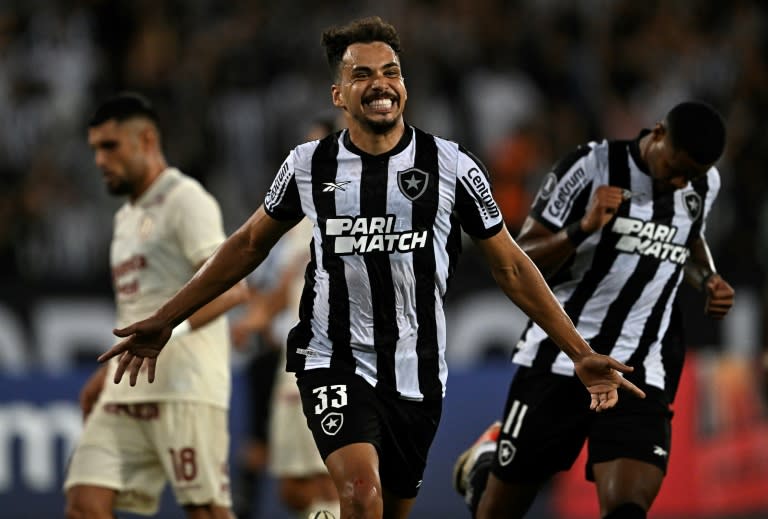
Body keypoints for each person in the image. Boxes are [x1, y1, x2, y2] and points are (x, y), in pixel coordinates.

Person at [97, 17, 644, 519]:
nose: (380, 83)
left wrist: (579, 352)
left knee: (385, 511)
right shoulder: (309, 165)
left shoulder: (451, 165)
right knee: (360, 498)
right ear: (339, 94)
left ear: (404, 86)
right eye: (362, 75)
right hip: (331, 356)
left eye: (391, 73)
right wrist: (167, 319)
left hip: (417, 370)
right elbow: (245, 247)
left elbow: (512, 267)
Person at [452, 101, 735, 519]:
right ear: (657, 134)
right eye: (675, 168)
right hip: (562, 358)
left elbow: (689, 239)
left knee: (626, 510)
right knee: (496, 512)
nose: (679, 182)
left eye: (690, 176)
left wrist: (707, 277)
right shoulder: (590, 166)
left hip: (639, 370)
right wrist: (582, 227)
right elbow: (520, 255)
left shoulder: (703, 183)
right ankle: (484, 469)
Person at [64, 92, 248, 519]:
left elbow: (233, 289)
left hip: (185, 387)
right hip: (124, 390)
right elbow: (136, 309)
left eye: (109, 146)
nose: (98, 160)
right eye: (94, 149)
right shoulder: (124, 217)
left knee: (205, 512)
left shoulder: (186, 199)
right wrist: (107, 371)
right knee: (83, 504)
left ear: (146, 140)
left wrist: (170, 331)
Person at [232, 119, 341, 519]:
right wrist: (256, 318)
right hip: (289, 363)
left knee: (328, 476)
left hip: (333, 358)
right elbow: (285, 285)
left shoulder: (354, 210)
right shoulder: (297, 221)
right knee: (293, 487)